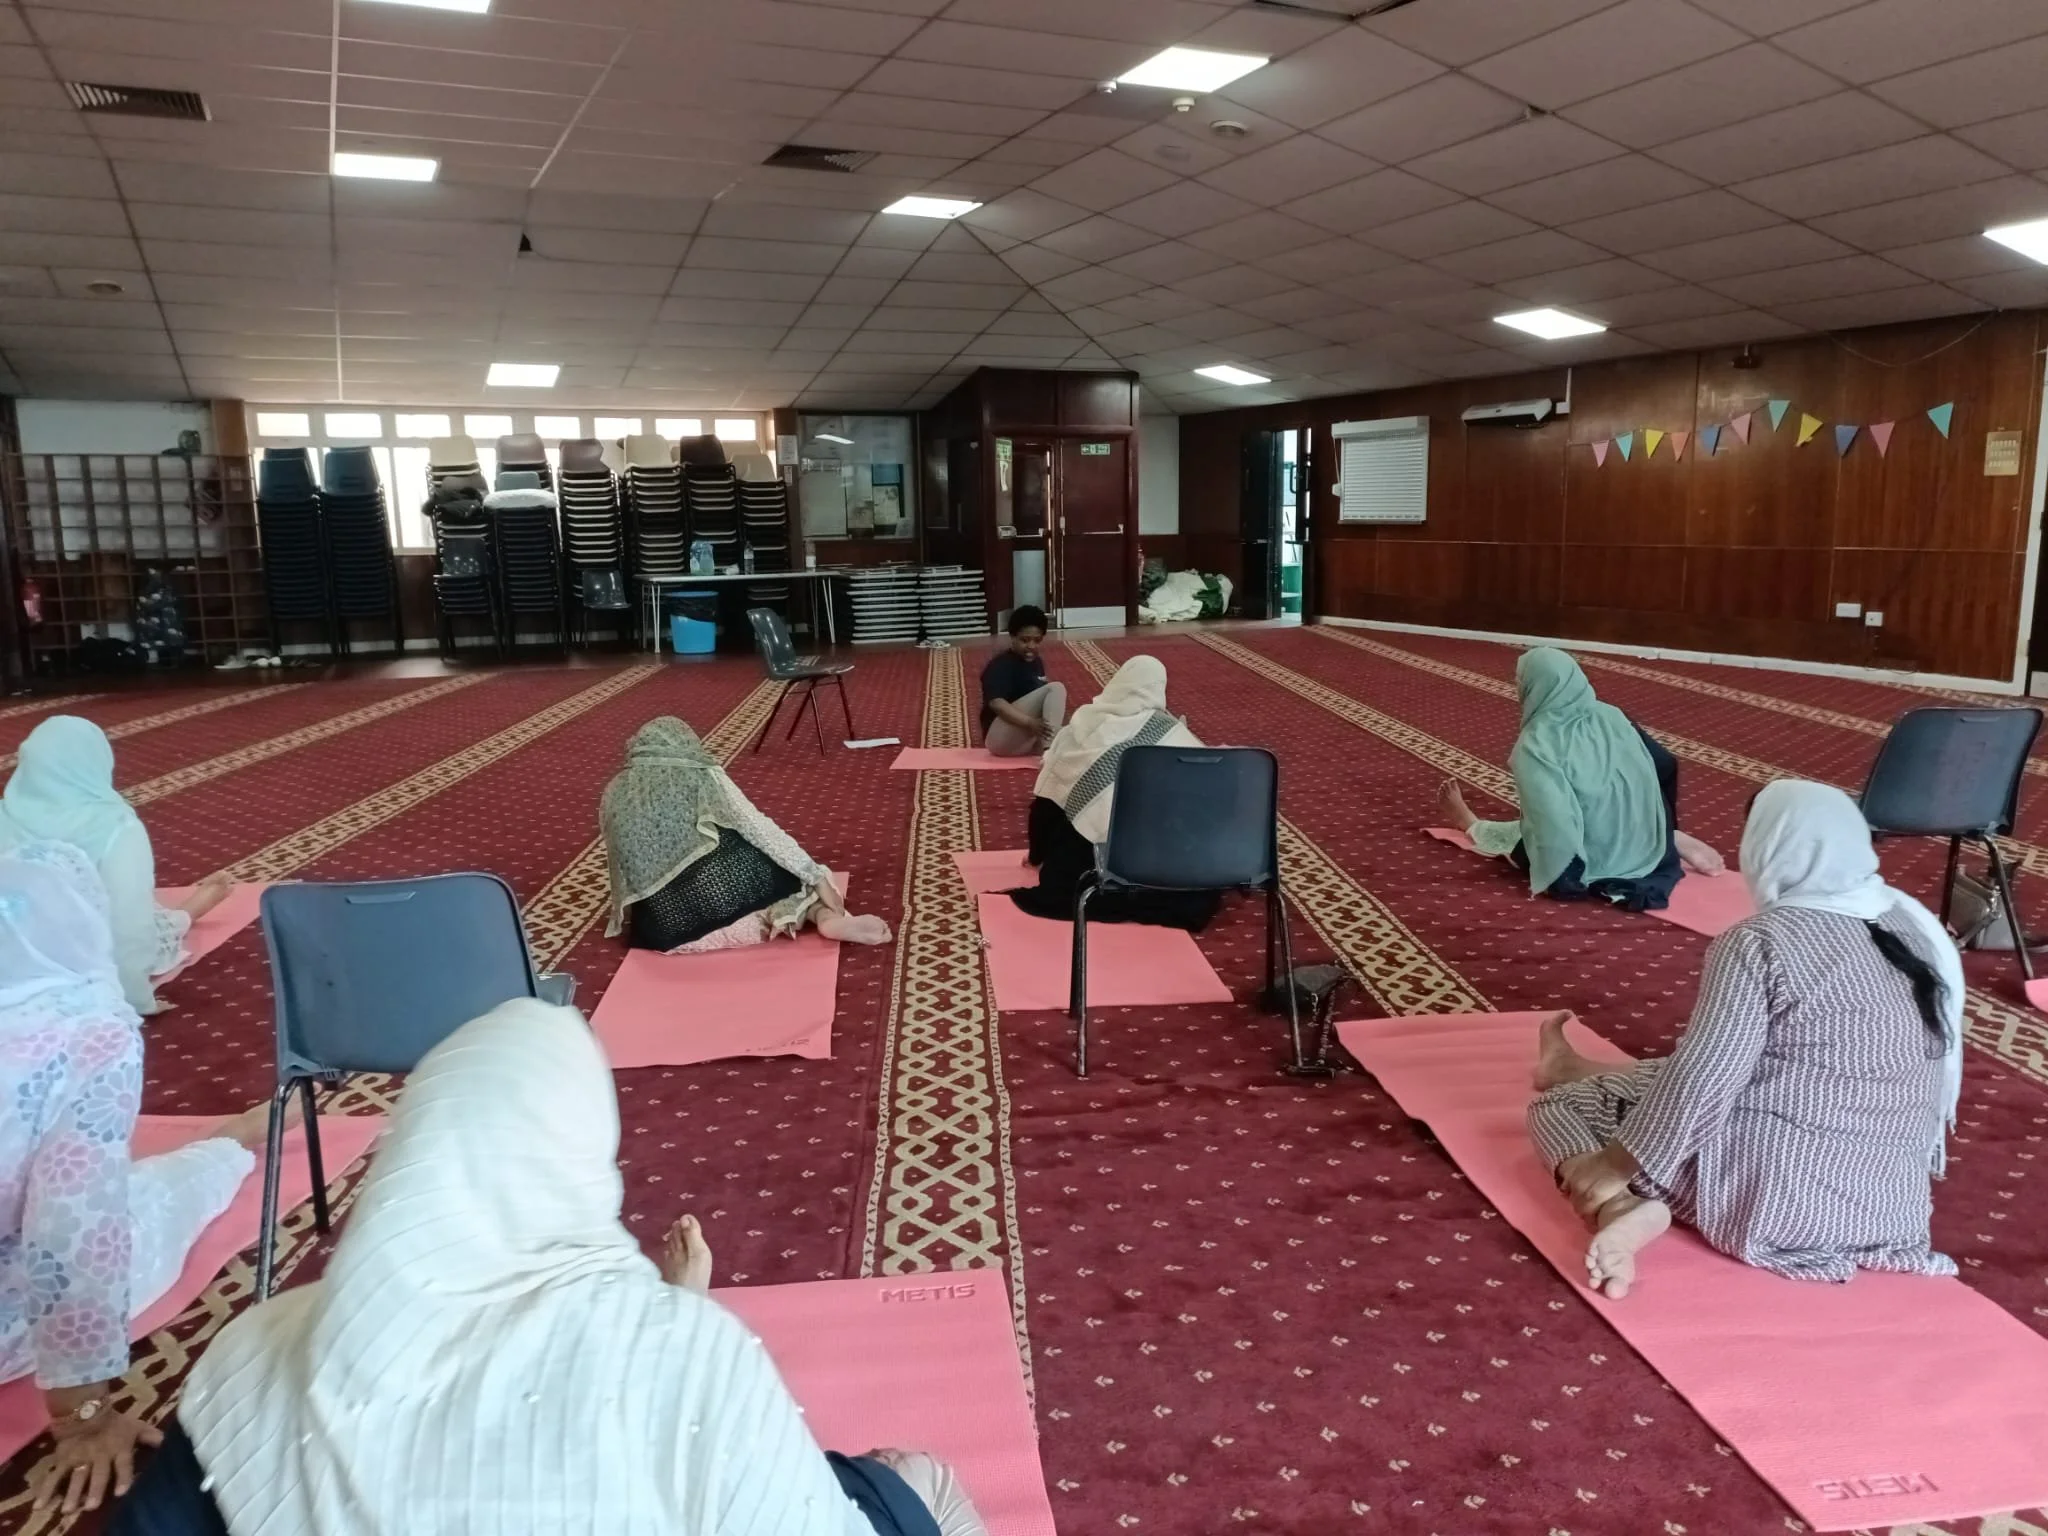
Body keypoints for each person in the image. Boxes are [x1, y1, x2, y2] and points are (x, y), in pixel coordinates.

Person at [121, 999, 989, 1536]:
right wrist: (679, 1319)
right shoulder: (686, 1359)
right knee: (912, 1482)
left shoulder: (255, 1350)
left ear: (413, 1153)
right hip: (676, 1367)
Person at [1526, 780, 1963, 1301]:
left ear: (1767, 846)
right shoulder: (1913, 928)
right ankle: (1578, 1075)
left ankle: (1620, 1205)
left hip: (1776, 1207)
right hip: (1891, 1211)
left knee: (1562, 1107)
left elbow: (1704, 1083)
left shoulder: (1759, 941)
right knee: (1738, 1062)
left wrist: (1612, 1168)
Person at [0, 841, 269, 1518]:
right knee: (135, 1207)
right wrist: (82, 1416)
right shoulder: (87, 1035)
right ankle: (230, 1144)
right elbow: (70, 1239)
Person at [1434, 647, 1722, 912]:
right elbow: (1665, 764)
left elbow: (1555, 819)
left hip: (1595, 852)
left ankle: (1472, 824)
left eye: (1520, 681)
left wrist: (1563, 879)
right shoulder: (1613, 715)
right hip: (1645, 843)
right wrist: (1659, 823)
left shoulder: (1535, 744)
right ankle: (1666, 838)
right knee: (1563, 818)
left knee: (1526, 840)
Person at [0, 716, 236, 1014]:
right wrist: (135, 999)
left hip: (14, 963)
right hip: (86, 962)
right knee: (143, 919)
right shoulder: (117, 827)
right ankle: (188, 912)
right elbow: (129, 927)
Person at [602, 717, 890, 952]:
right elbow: (758, 828)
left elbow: (624, 865)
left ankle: (813, 913)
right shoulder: (702, 774)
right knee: (799, 878)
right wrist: (815, 876)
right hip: (735, 920)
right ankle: (822, 916)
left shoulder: (614, 791)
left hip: (666, 934)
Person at [1007, 655, 1218, 930]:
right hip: (1166, 867)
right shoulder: (1175, 734)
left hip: (1096, 864)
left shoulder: (1084, 727)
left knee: (1067, 865)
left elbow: (1047, 805)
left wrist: (1037, 856)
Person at [979, 606, 1065, 758]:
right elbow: (997, 703)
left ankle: (1048, 747)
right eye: (1025, 640)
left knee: (1077, 731)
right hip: (999, 739)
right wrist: (1029, 723)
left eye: (1037, 640)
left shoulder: (1037, 662)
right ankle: (1049, 751)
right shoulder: (1001, 665)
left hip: (1021, 740)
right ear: (1012, 637)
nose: (1031, 646)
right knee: (1056, 688)